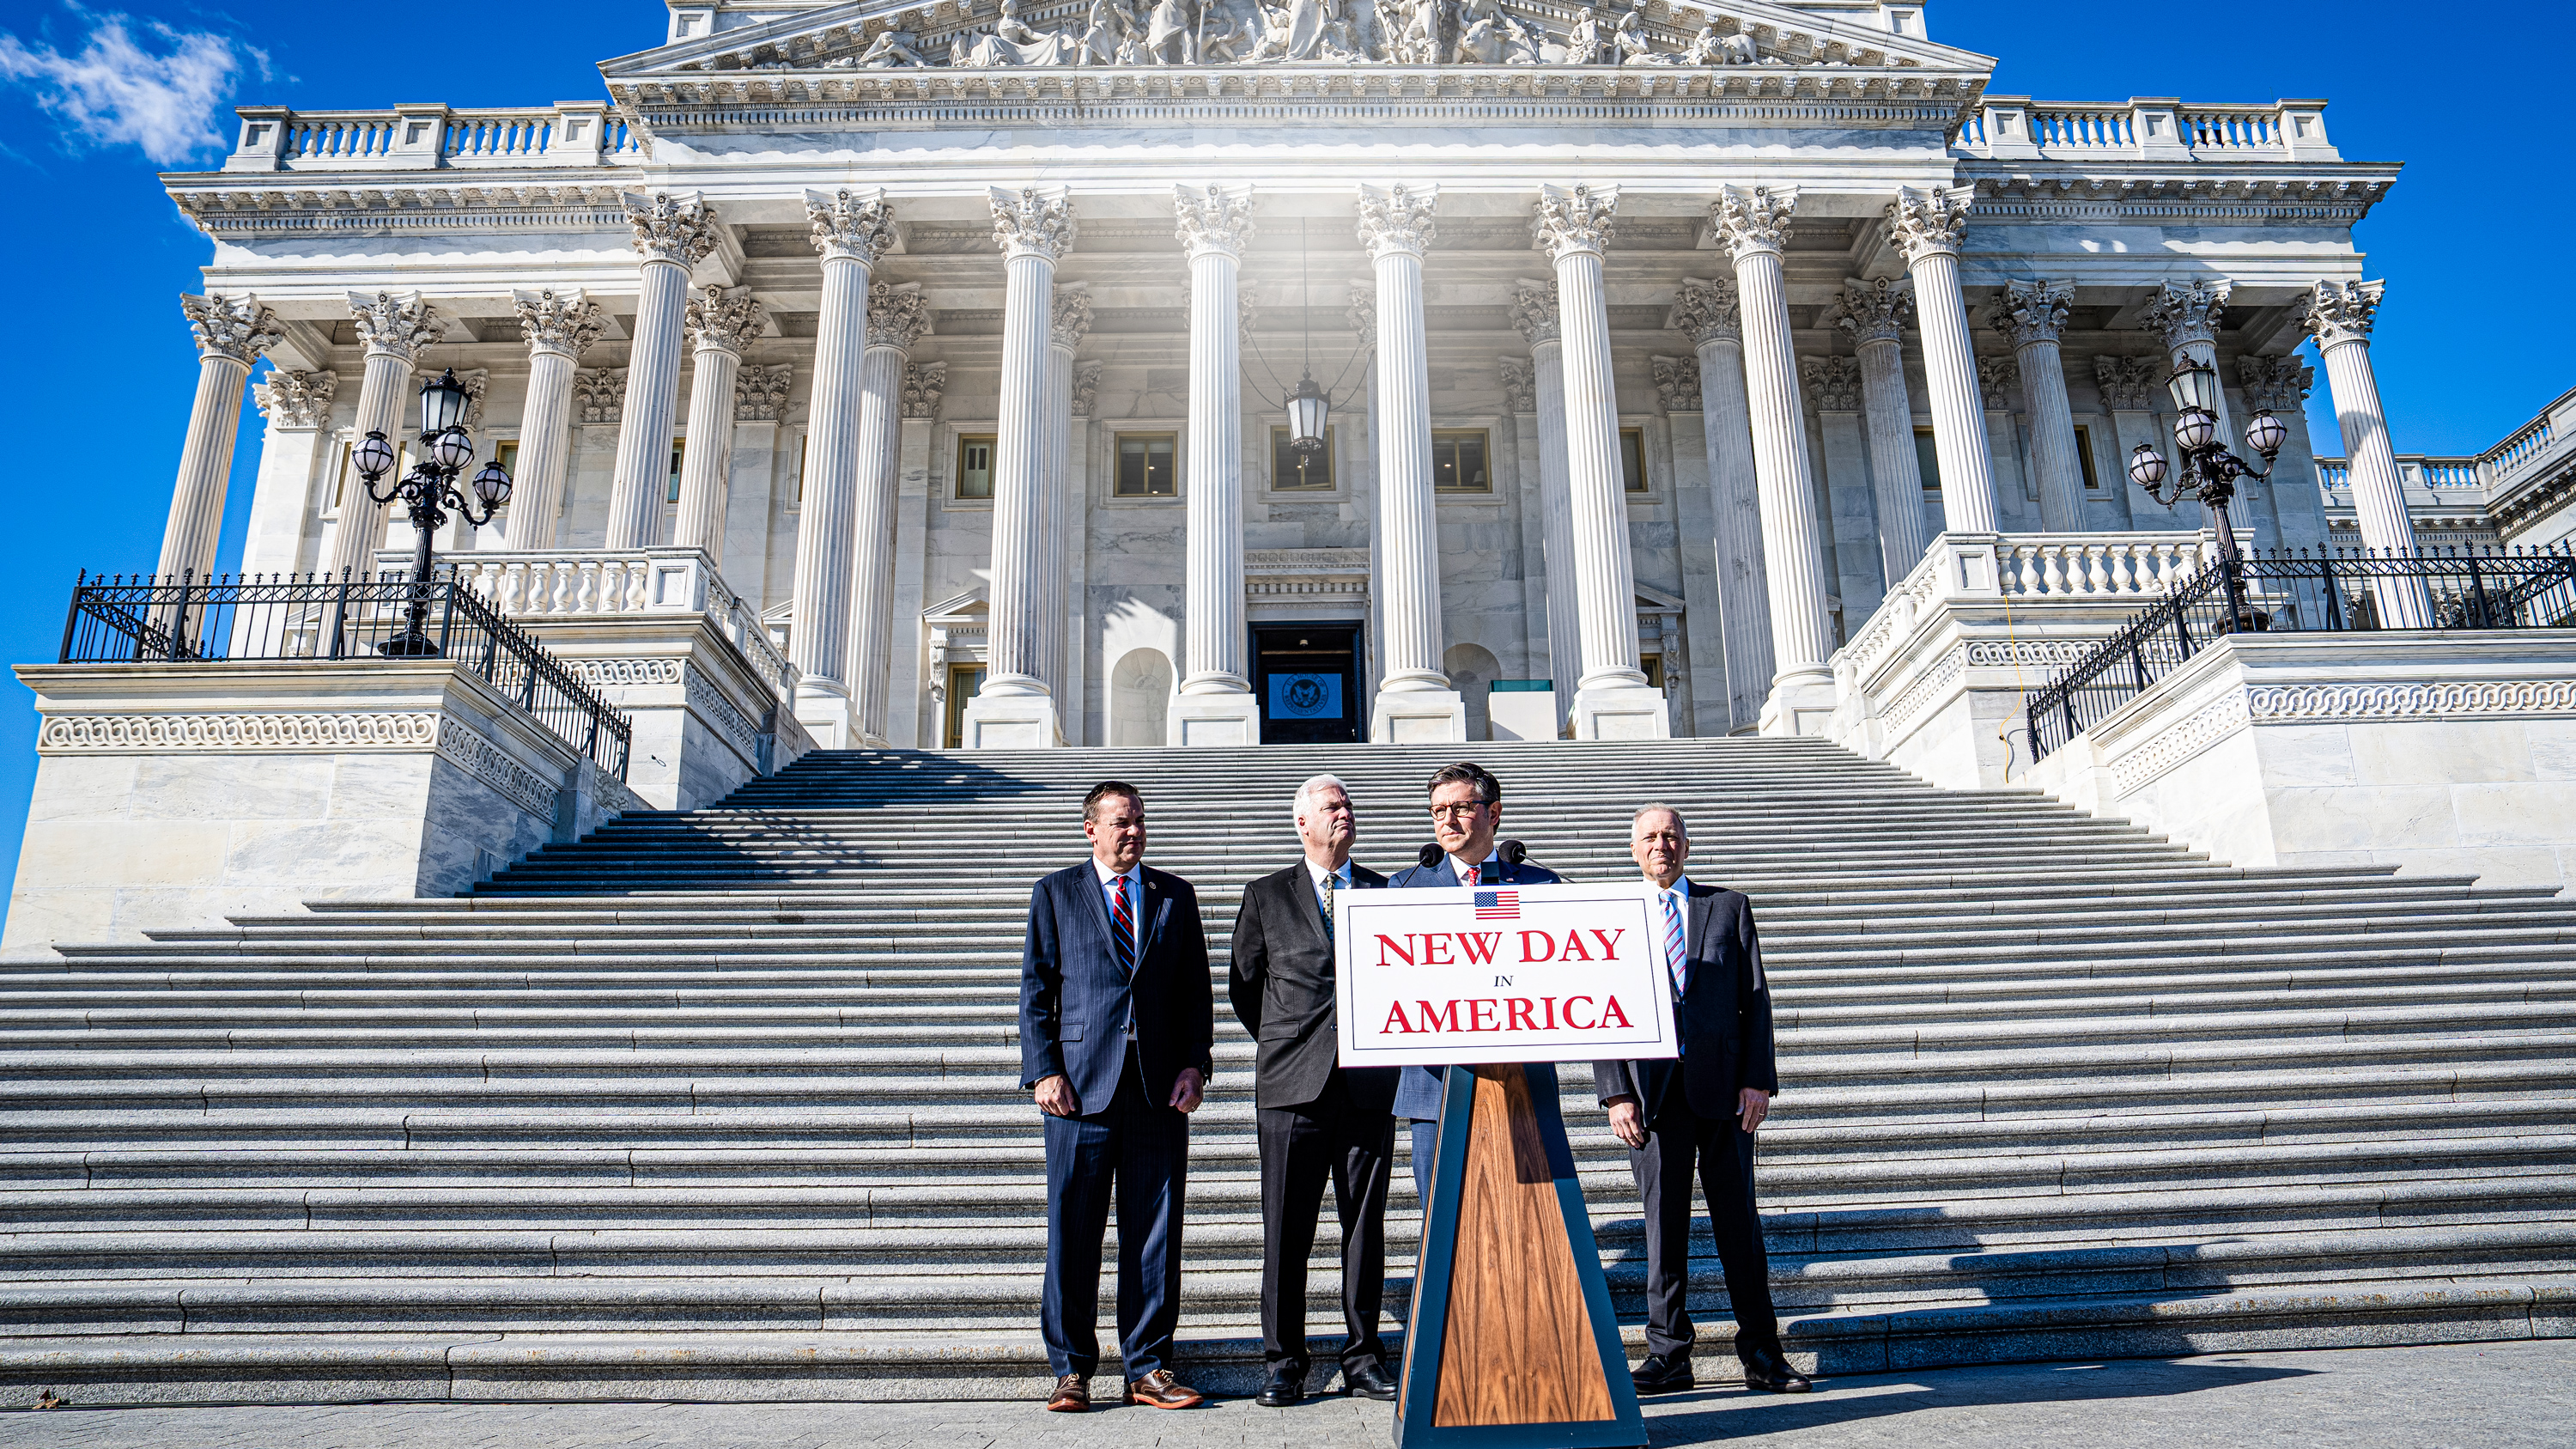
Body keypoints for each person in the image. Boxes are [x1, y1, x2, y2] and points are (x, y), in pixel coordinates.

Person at [1593, 805, 1810, 1396]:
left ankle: (1763, 1351)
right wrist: (1615, 1091)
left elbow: (1755, 997)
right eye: (1650, 837)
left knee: (1739, 1224)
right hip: (1653, 1098)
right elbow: (1600, 1007)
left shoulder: (1728, 906)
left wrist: (1758, 1079)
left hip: (1726, 1093)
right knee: (1663, 1230)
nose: (1661, 845)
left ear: (1686, 843)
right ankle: (1669, 1354)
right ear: (1633, 848)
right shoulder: (1613, 915)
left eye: (1670, 835)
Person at [1019, 781, 1213, 1413]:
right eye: (1121, 822)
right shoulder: (1054, 893)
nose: (1133, 832)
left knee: (1154, 1233)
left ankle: (1150, 1366)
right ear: (1090, 829)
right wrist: (1044, 1070)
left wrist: (1196, 1065)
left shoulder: (1173, 896)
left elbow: (1194, 994)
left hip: (1157, 1090)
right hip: (1079, 1091)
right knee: (1073, 1231)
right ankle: (1072, 1368)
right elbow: (1036, 990)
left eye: (1139, 822)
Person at [1227, 774, 1401, 1407]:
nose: (1345, 812)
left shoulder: (1386, 891)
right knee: (1286, 1229)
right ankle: (1284, 1360)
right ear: (1303, 822)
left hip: (1367, 1087)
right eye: (1332, 805)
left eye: (1349, 803)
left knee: (1365, 1228)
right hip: (1291, 1086)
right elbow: (1246, 987)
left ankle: (1362, 1355)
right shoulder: (1267, 894)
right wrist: (1292, 1038)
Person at [1385, 761, 1560, 1204]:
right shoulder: (1404, 889)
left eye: (1461, 807)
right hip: (1435, 1085)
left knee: (1529, 1219)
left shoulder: (1541, 885)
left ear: (1493, 812)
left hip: (1521, 1079)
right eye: (1437, 810)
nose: (1447, 820)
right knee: (1443, 1220)